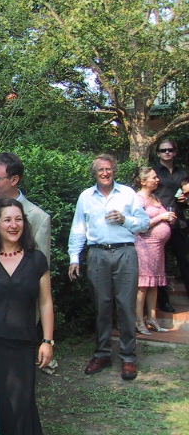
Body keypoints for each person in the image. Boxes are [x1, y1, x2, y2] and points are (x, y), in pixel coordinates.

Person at [68, 154, 149, 380]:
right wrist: (74, 257)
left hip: (125, 252)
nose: (105, 173)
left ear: (114, 170)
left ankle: (128, 357)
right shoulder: (86, 196)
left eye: (109, 169)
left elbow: (144, 224)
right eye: (100, 170)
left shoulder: (128, 193)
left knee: (126, 305)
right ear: (94, 173)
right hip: (97, 254)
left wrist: (125, 220)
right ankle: (102, 354)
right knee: (101, 305)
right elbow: (78, 228)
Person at [0, 199, 54, 435]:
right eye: (7, 220)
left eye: (18, 219)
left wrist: (47, 341)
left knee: (21, 403)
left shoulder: (37, 259)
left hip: (23, 344)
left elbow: (45, 302)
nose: (14, 225)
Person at [133, 167, 175, 335]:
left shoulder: (155, 197)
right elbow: (139, 226)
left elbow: (161, 218)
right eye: (154, 177)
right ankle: (139, 320)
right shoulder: (138, 199)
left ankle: (152, 318)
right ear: (143, 181)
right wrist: (161, 217)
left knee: (154, 284)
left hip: (158, 248)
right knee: (143, 285)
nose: (157, 180)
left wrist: (169, 219)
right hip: (145, 246)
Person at [153, 139, 189, 312]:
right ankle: (163, 301)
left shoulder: (183, 173)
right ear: (158, 153)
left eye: (170, 150)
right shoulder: (154, 172)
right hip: (159, 222)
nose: (167, 152)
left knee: (186, 260)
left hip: (178, 222)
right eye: (163, 150)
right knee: (161, 264)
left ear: (175, 152)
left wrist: (186, 200)